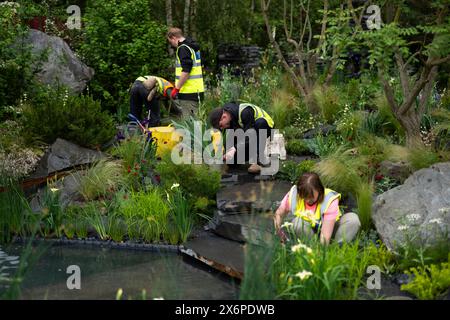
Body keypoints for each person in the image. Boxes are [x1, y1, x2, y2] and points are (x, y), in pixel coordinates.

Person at [274, 172, 361, 245]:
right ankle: (311, 248)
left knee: (353, 220)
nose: (308, 200)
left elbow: (325, 236)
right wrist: (279, 231)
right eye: (304, 197)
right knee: (297, 222)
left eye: (311, 196)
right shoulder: (294, 194)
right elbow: (279, 213)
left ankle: (336, 250)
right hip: (308, 233)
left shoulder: (329, 199)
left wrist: (322, 253)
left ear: (319, 190)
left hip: (329, 231)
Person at [209, 101, 274, 174]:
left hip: (265, 128)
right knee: (232, 163)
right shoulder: (230, 118)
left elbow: (251, 135)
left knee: (260, 123)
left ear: (224, 117)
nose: (222, 128)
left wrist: (234, 148)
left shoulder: (245, 112)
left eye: (221, 125)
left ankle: (257, 162)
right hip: (250, 137)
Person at [167, 27, 205, 118]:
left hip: (188, 93)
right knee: (196, 124)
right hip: (197, 91)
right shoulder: (193, 47)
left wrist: (176, 88)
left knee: (190, 126)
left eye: (170, 41)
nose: (171, 44)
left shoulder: (183, 49)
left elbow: (186, 71)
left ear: (173, 37)